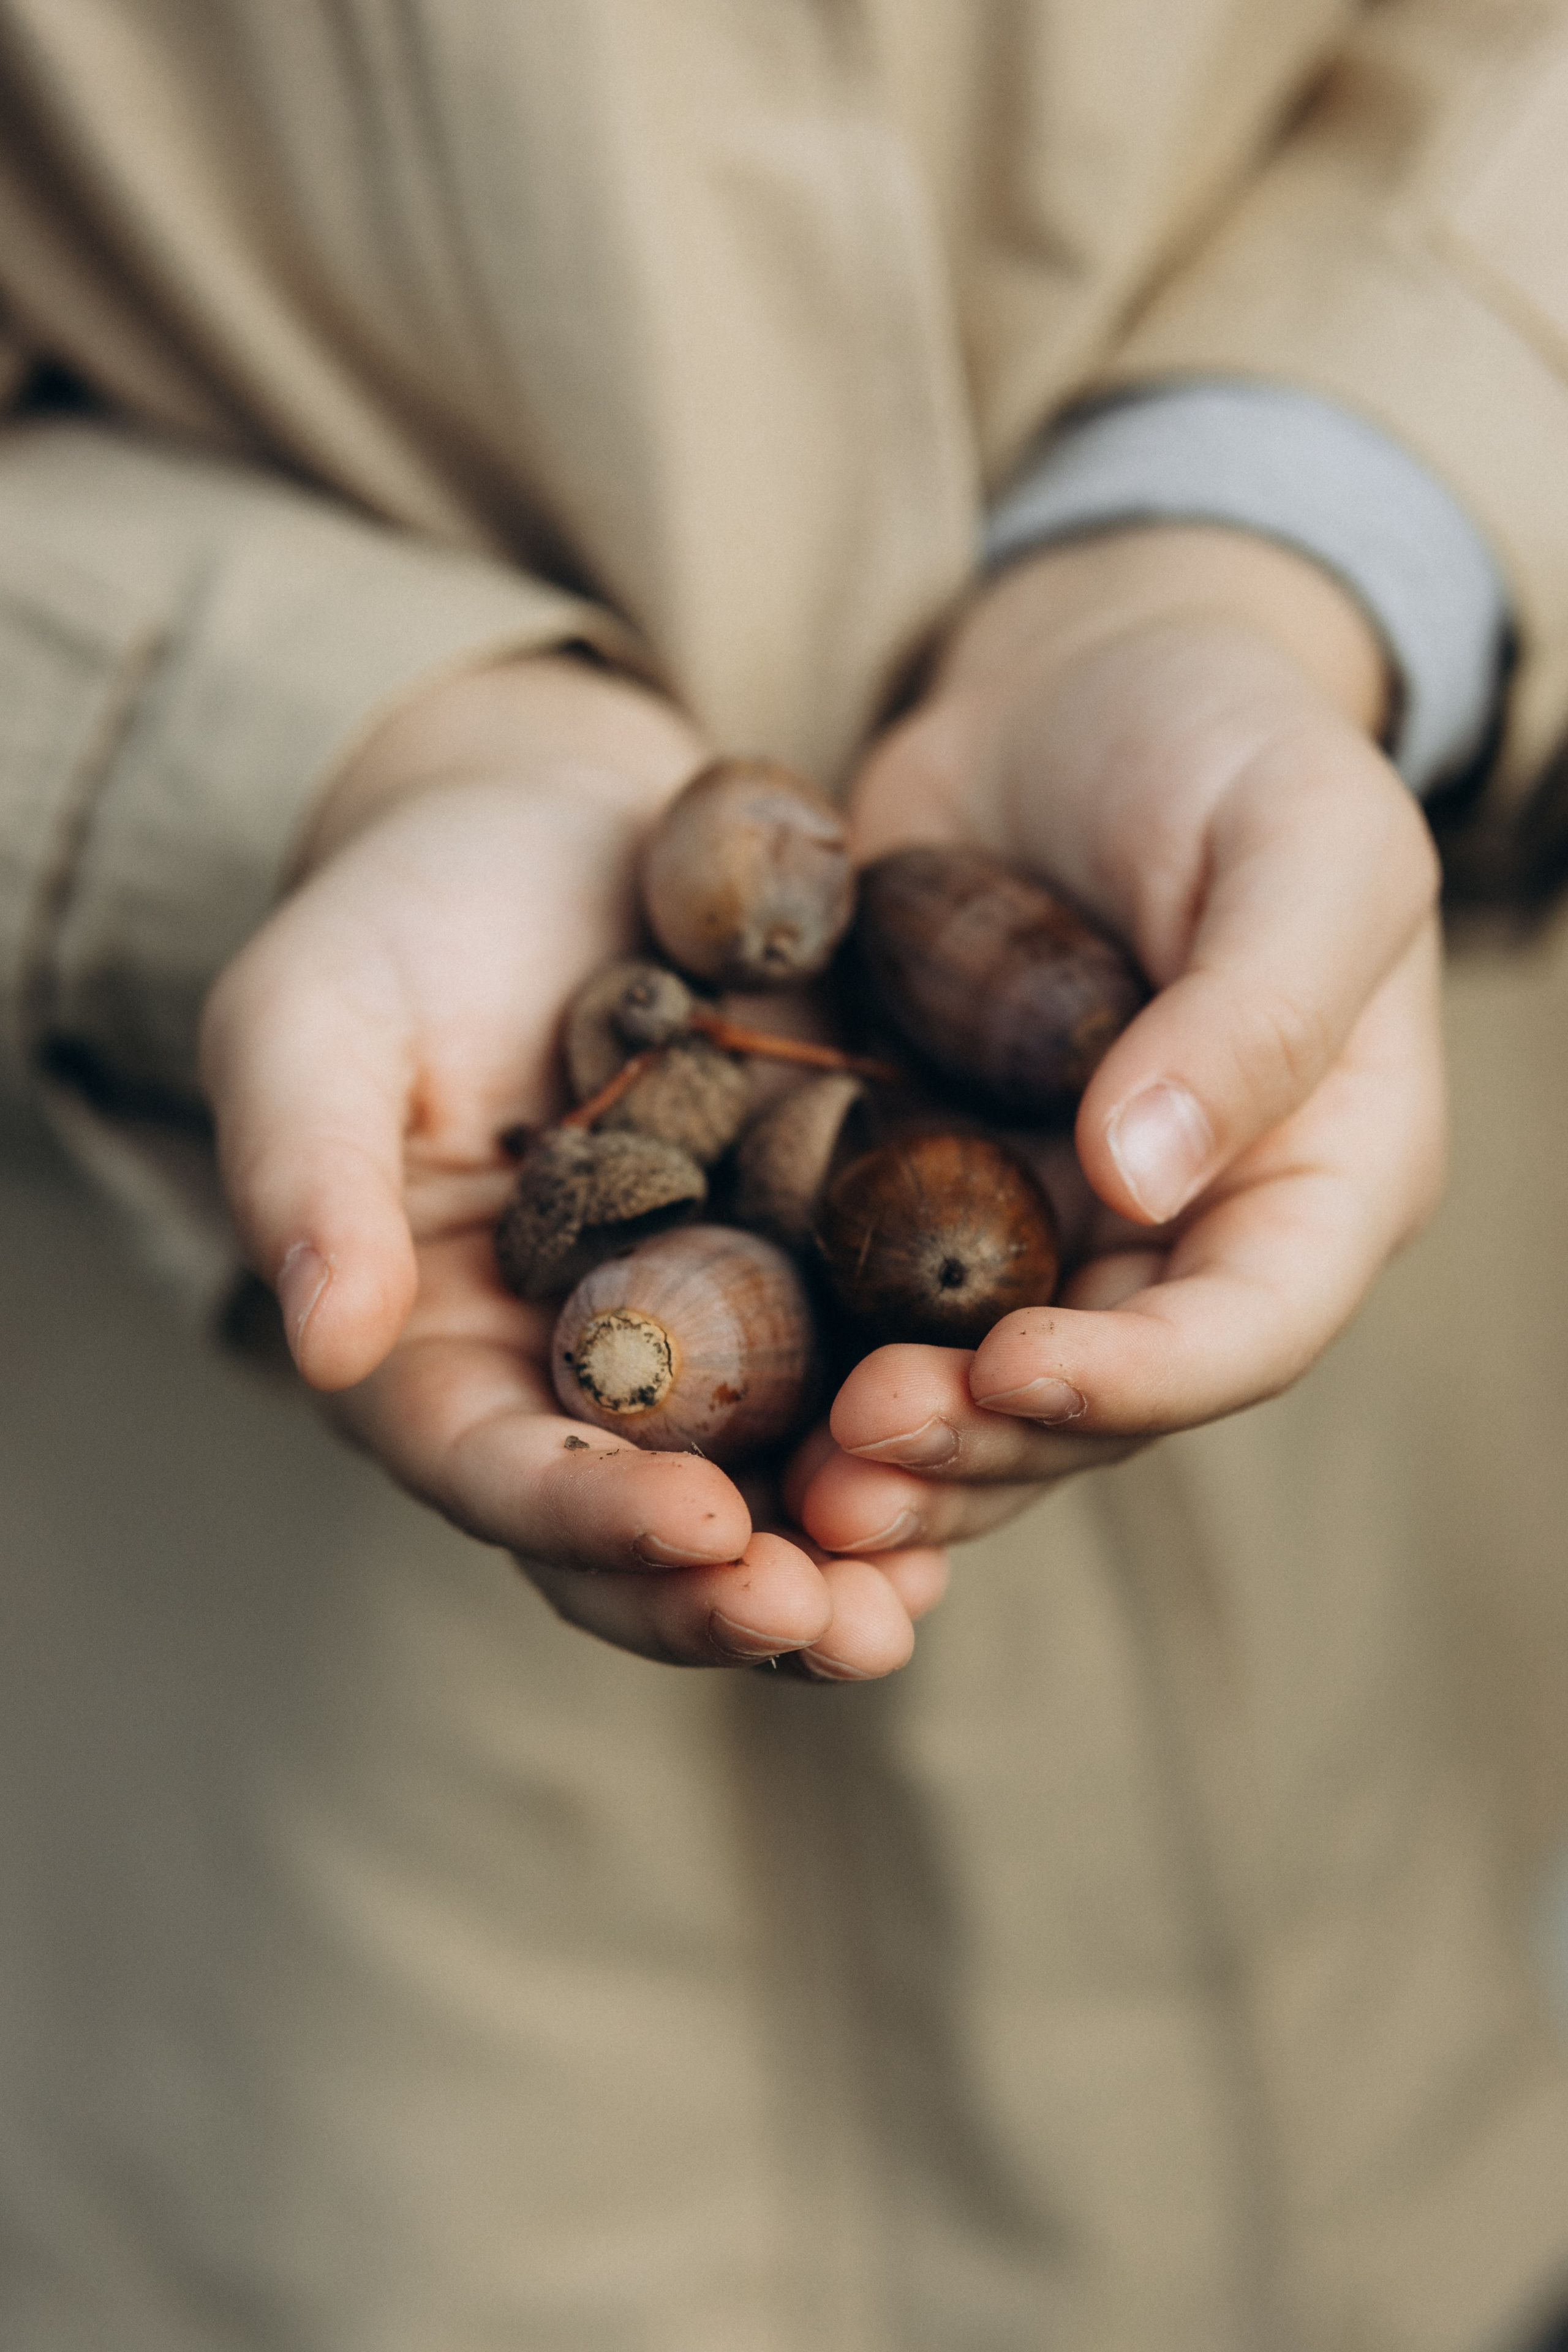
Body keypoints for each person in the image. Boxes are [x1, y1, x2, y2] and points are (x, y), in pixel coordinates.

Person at [1, 2, 1567, 2344]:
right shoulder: (681, 1137)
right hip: (316, 2026)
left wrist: (1305, 532)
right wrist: (303, 748)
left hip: (1394, 1850)